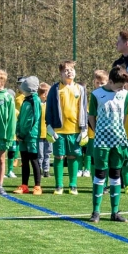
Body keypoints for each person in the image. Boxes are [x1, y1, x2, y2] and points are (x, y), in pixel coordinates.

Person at [88, 66, 128, 223]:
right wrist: (97, 130)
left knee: (115, 175)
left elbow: (125, 115)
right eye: (119, 86)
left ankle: (115, 212)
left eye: (123, 86)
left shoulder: (124, 95)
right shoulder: (96, 94)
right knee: (100, 175)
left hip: (119, 140)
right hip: (102, 141)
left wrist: (120, 131)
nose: (121, 89)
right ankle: (96, 212)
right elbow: (91, 115)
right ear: (111, 81)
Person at [46, 61, 87, 195]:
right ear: (61, 73)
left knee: (73, 156)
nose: (69, 72)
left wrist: (84, 128)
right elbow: (50, 108)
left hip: (75, 130)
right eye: (66, 70)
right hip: (59, 131)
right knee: (59, 156)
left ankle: (73, 185)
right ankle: (59, 186)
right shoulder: (55, 88)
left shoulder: (80, 89)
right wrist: (49, 126)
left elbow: (84, 108)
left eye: (71, 70)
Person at [15, 76, 43, 194]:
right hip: (22, 135)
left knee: (34, 160)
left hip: (31, 135)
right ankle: (24, 185)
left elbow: (32, 119)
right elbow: (21, 117)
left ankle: (37, 186)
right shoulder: (26, 100)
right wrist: (17, 131)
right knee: (24, 160)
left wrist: (24, 133)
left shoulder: (34, 100)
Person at [80, 70, 108, 177]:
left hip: (107, 131)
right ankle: (90, 173)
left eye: (102, 83)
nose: (99, 85)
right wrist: (94, 128)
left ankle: (105, 179)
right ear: (94, 83)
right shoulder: (93, 95)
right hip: (94, 131)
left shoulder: (110, 95)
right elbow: (90, 114)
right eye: (97, 83)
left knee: (104, 156)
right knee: (91, 153)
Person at [37, 82, 52, 180]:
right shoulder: (37, 103)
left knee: (48, 152)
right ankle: (39, 169)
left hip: (48, 132)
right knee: (40, 153)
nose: (46, 94)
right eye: (45, 92)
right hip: (39, 132)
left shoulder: (50, 104)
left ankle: (46, 170)